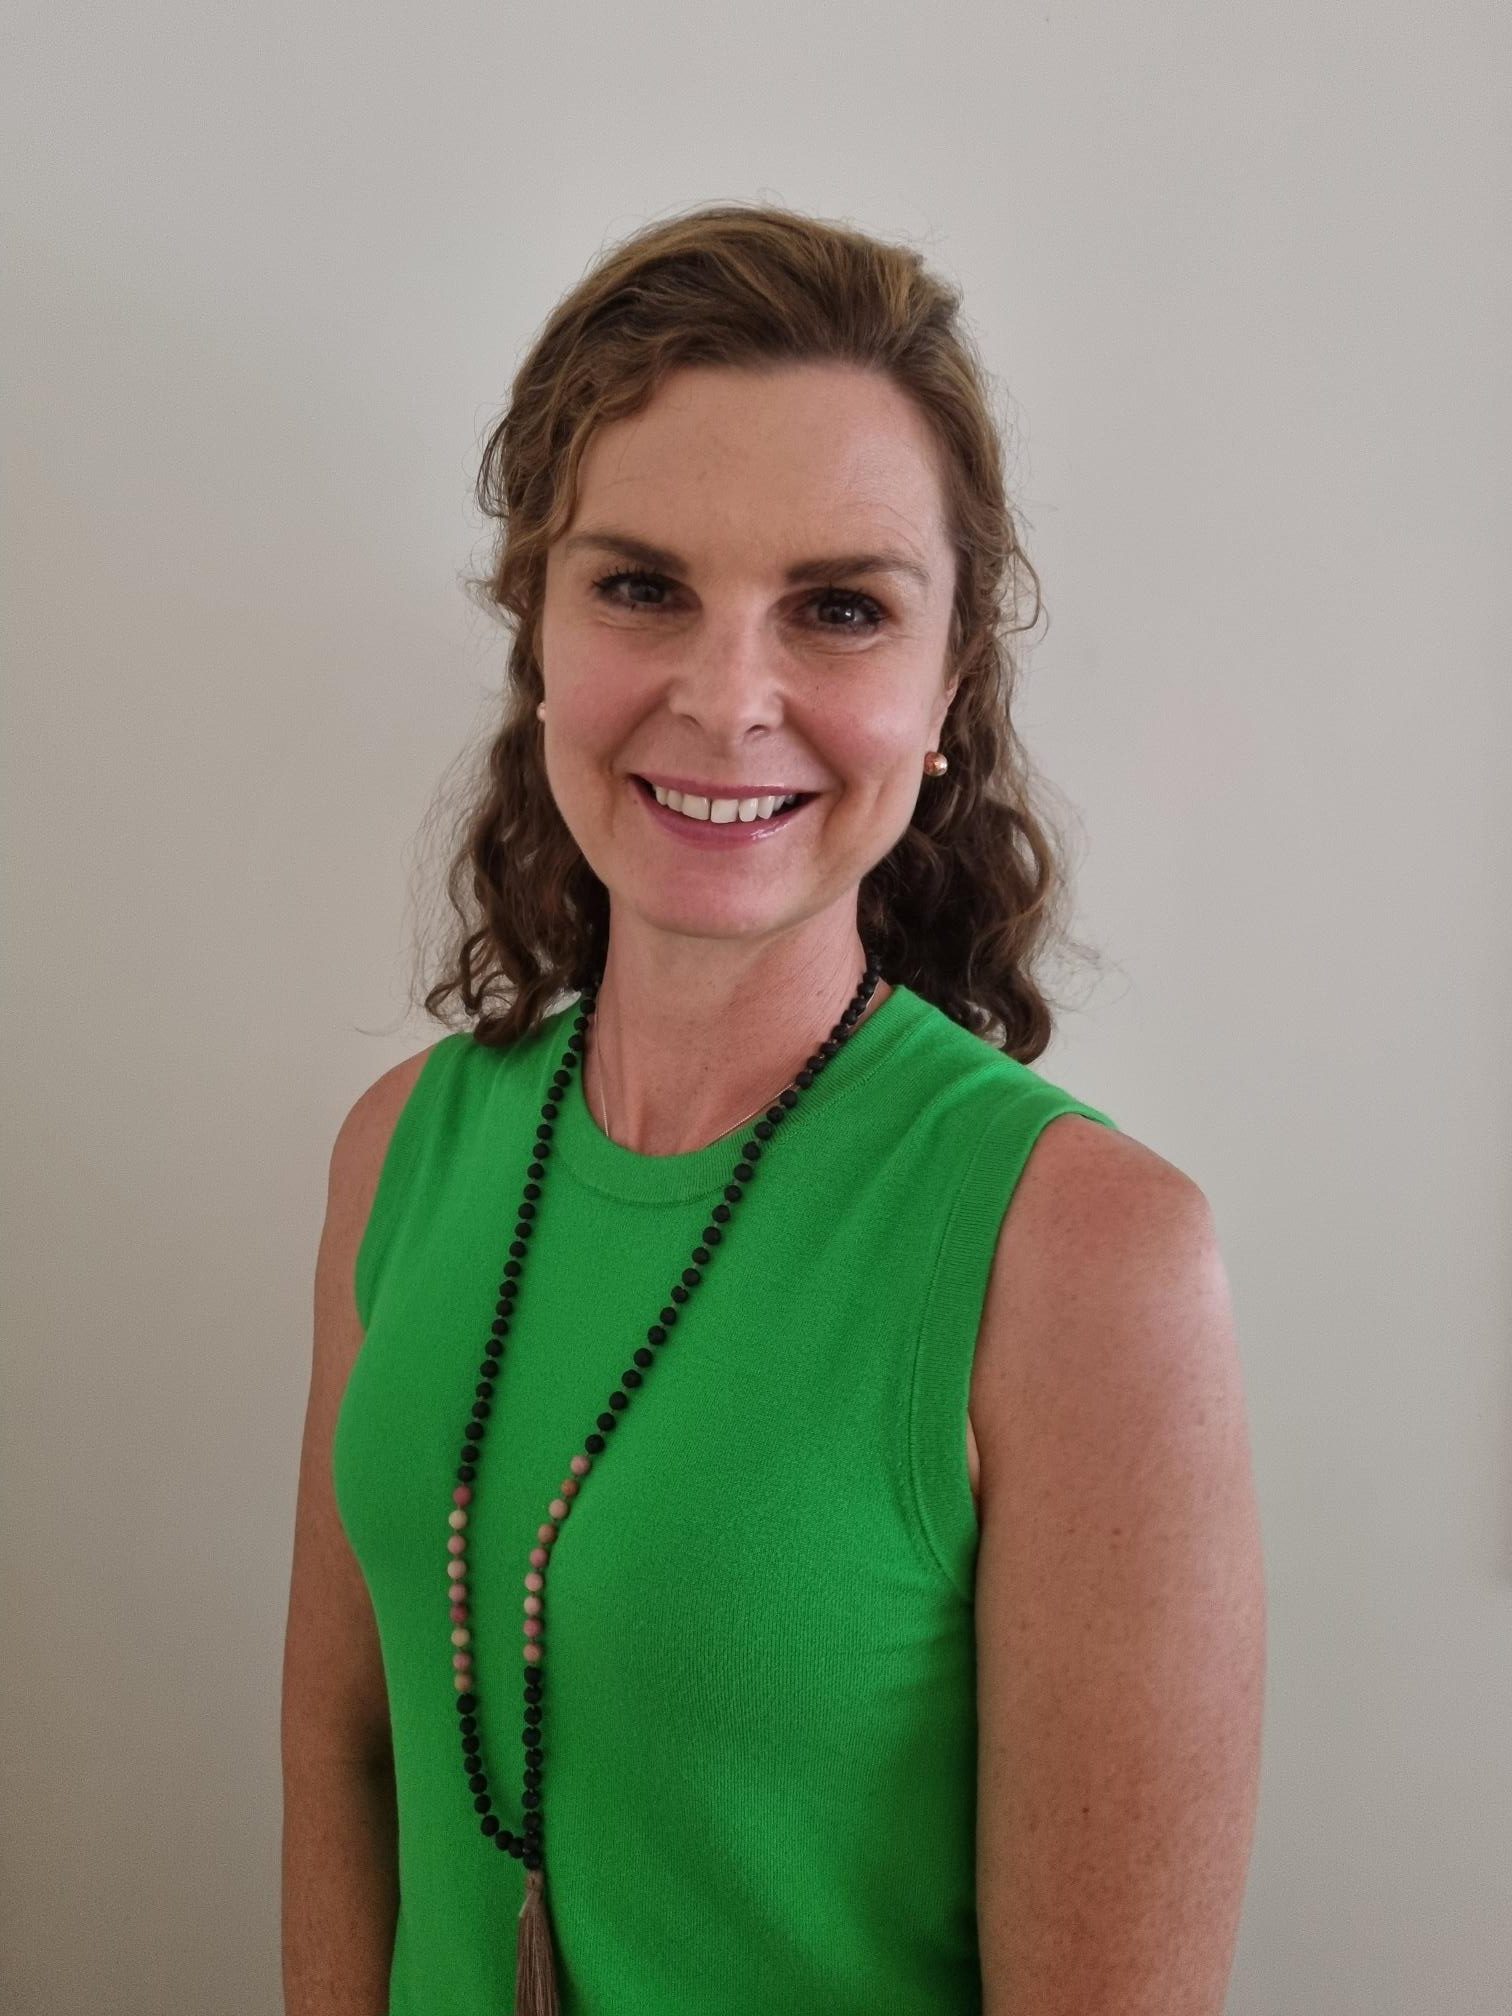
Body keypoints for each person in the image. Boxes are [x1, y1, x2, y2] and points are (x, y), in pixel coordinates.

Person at [281, 202, 1265, 2016]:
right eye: (641, 586)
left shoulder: (1089, 1259)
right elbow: (346, 1763)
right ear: (539, 626)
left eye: (839, 608)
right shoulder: (398, 1151)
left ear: (947, 685)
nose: (729, 700)